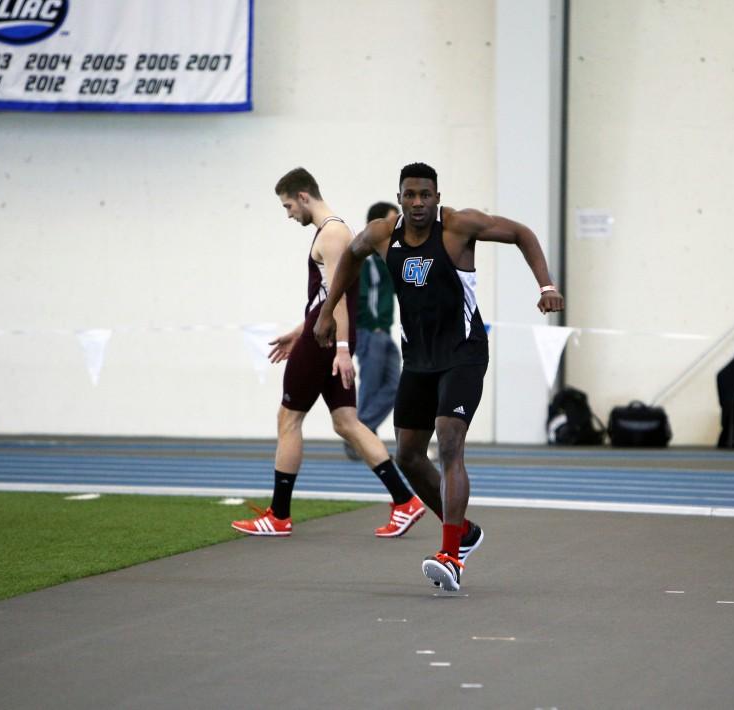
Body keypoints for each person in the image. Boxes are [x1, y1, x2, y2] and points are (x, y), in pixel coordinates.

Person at [314, 162, 564, 591]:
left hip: (463, 354)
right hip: (419, 359)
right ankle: (464, 532)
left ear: (437, 197)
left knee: (449, 441)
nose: (417, 203)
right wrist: (328, 311)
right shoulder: (381, 234)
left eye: (425, 195)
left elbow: (522, 233)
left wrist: (545, 287)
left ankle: (452, 555)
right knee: (409, 455)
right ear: (399, 198)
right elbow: (350, 259)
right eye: (409, 195)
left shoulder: (459, 227)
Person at [231, 167, 424, 539]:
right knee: (347, 422)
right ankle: (405, 502)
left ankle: (279, 515)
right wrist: (299, 329)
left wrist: (340, 350)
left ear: (304, 196)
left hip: (324, 345)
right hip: (320, 338)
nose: (288, 214)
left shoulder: (333, 233)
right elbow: (325, 298)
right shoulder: (335, 232)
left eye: (288, 205)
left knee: (288, 419)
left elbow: (339, 304)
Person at [343, 201, 402, 461]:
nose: (397, 226)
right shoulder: (365, 257)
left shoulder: (387, 257)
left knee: (396, 386)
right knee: (369, 385)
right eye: (392, 221)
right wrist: (369, 324)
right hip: (370, 330)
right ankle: (359, 439)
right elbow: (359, 296)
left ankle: (361, 432)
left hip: (385, 331)